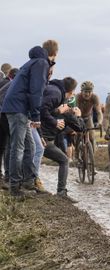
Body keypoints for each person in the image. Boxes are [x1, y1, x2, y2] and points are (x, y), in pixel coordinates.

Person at [2, 40, 58, 199]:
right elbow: (36, 91)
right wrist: (36, 116)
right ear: (54, 54)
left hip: (18, 108)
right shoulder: (41, 63)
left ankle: (28, 181)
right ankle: (14, 187)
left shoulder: (34, 62)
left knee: (31, 146)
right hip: (17, 108)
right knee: (18, 147)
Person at [40, 77, 82, 202]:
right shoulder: (62, 104)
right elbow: (80, 127)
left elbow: (44, 109)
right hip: (44, 139)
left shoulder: (52, 94)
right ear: (70, 93)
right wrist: (78, 116)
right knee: (64, 160)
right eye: (73, 92)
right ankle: (61, 192)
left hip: (41, 136)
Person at [75, 81, 103, 150]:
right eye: (85, 92)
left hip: (88, 117)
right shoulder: (77, 97)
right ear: (81, 91)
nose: (87, 94)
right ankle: (76, 152)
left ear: (92, 92)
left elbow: (99, 112)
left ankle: (92, 156)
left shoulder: (95, 97)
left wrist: (99, 122)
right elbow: (75, 111)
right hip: (78, 117)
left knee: (92, 137)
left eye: (89, 92)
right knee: (78, 135)